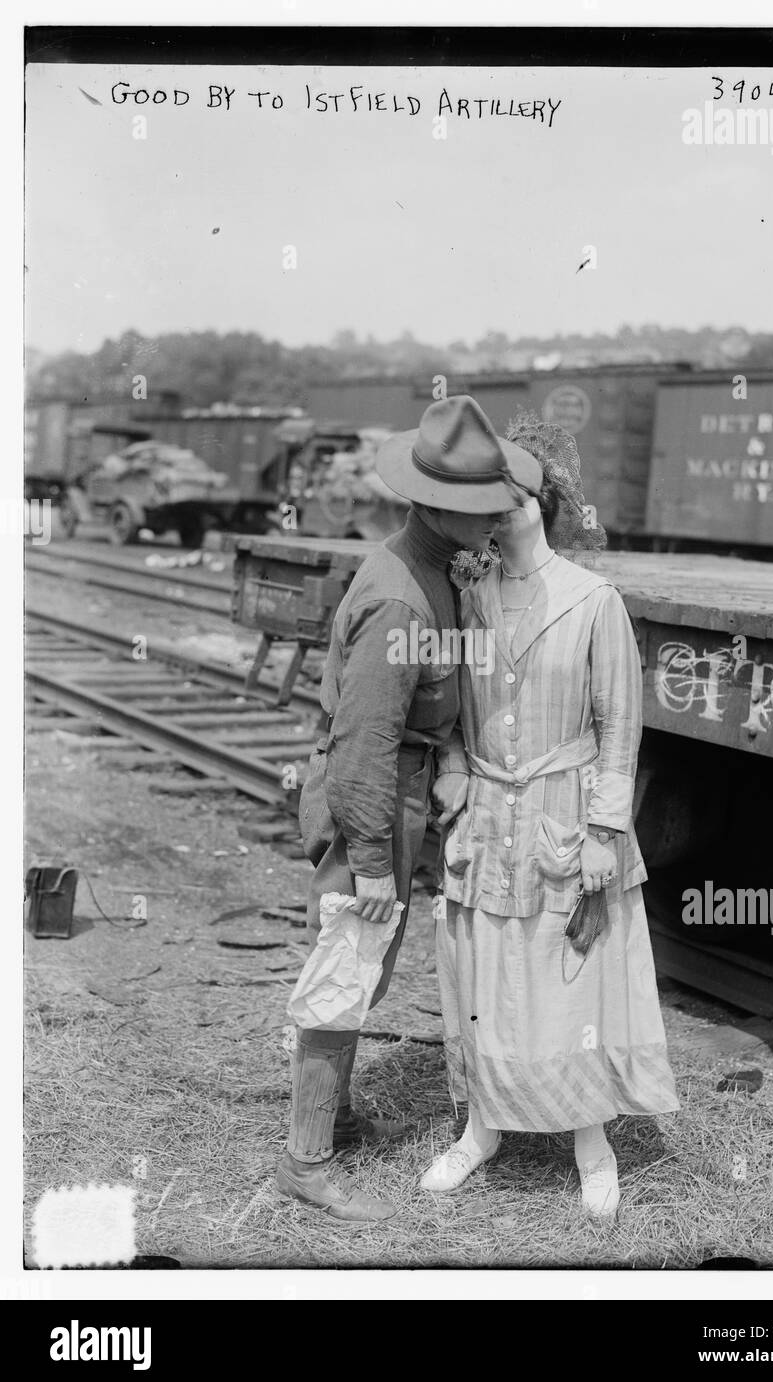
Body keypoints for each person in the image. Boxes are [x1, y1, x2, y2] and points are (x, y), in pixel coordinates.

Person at [276, 395, 543, 1223]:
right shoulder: (400, 596)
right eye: (480, 509)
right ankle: (305, 1160)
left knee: (365, 968)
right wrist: (366, 861)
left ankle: (338, 1118)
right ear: (435, 506)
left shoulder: (431, 568)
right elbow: (361, 742)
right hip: (375, 799)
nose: (496, 519)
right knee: (345, 967)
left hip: (398, 794)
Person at [425, 413, 680, 1217]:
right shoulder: (467, 599)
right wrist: (455, 766)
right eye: (490, 499)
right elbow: (449, 708)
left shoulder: (593, 600)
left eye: (517, 496)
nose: (503, 511)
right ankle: (482, 1129)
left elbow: (619, 726)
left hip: (565, 815)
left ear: (547, 502)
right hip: (487, 819)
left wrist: (606, 831)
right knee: (485, 973)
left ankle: (589, 1140)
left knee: (571, 974)